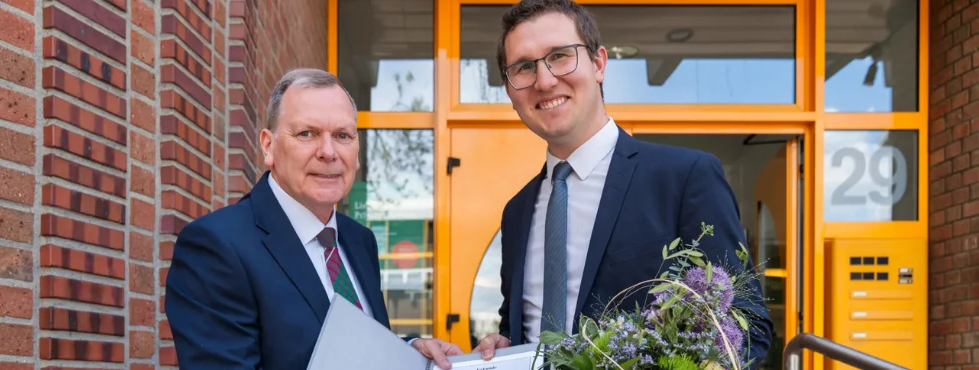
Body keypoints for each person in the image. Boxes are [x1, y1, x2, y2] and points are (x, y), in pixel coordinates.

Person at [471, 0, 774, 368]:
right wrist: (503, 348)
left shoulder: (685, 177)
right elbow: (523, 328)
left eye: (561, 56)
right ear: (509, 89)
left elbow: (748, 329)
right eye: (523, 67)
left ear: (598, 63)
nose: (545, 80)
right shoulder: (517, 211)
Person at [164, 68, 462, 369]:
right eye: (307, 134)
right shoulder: (215, 247)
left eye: (342, 135)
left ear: (357, 154)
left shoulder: (360, 241)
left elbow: (355, 349)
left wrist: (411, 350)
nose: (328, 152)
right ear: (269, 146)